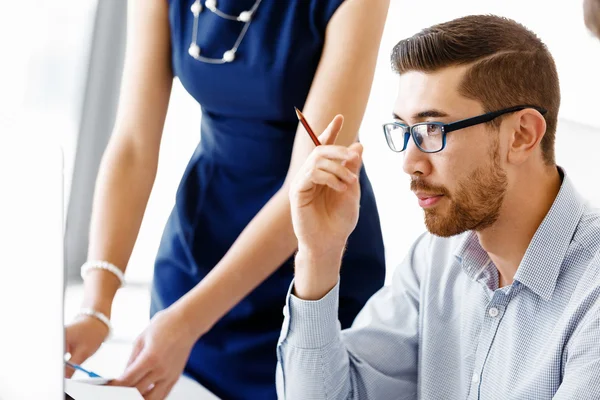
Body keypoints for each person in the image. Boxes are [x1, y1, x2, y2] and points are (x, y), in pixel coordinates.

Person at [64, 0, 390, 399]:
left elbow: (306, 185)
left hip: (314, 259)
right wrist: (97, 307)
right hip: (198, 259)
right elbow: (133, 146)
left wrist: (187, 322)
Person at [277, 14, 600, 399]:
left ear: (521, 135)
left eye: (433, 130)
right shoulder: (435, 259)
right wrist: (318, 255)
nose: (409, 162)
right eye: (404, 130)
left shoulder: (591, 293)